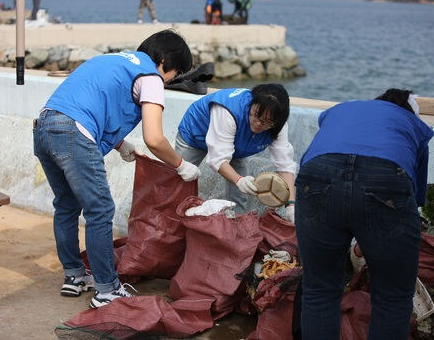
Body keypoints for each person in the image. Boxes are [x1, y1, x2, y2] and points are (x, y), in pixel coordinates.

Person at [33, 30, 200, 309]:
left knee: (66, 206)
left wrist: (120, 144)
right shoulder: (151, 76)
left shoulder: (112, 60)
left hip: (44, 127)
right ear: (163, 61)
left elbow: (92, 103)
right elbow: (155, 139)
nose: (172, 80)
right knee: (100, 210)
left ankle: (74, 276)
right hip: (74, 132)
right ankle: (107, 289)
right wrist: (181, 165)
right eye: (176, 72)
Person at [294, 89, 434, 339]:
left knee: (319, 290)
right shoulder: (411, 123)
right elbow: (414, 200)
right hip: (386, 177)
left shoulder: (342, 110)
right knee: (392, 297)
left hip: (316, 175)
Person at [175, 84, 296, 220]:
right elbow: (218, 159)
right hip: (196, 133)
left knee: (241, 192)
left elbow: (285, 165)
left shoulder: (278, 126)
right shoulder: (229, 110)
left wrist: (290, 205)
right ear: (251, 103)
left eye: (267, 122)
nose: (259, 123)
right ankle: (172, 220)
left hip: (235, 143)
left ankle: (235, 224)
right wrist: (239, 180)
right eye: (257, 116)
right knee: (178, 179)